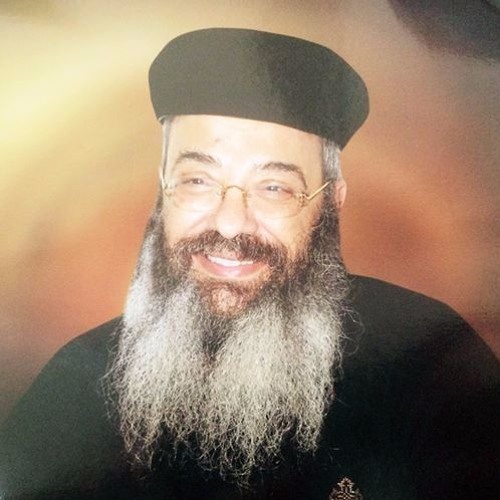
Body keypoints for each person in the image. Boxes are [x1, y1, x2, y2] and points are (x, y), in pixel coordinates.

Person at [0, 28, 498, 500]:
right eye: (198, 181)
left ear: (331, 202)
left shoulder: (433, 360)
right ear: (163, 189)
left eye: (274, 187)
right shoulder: (78, 382)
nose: (230, 223)